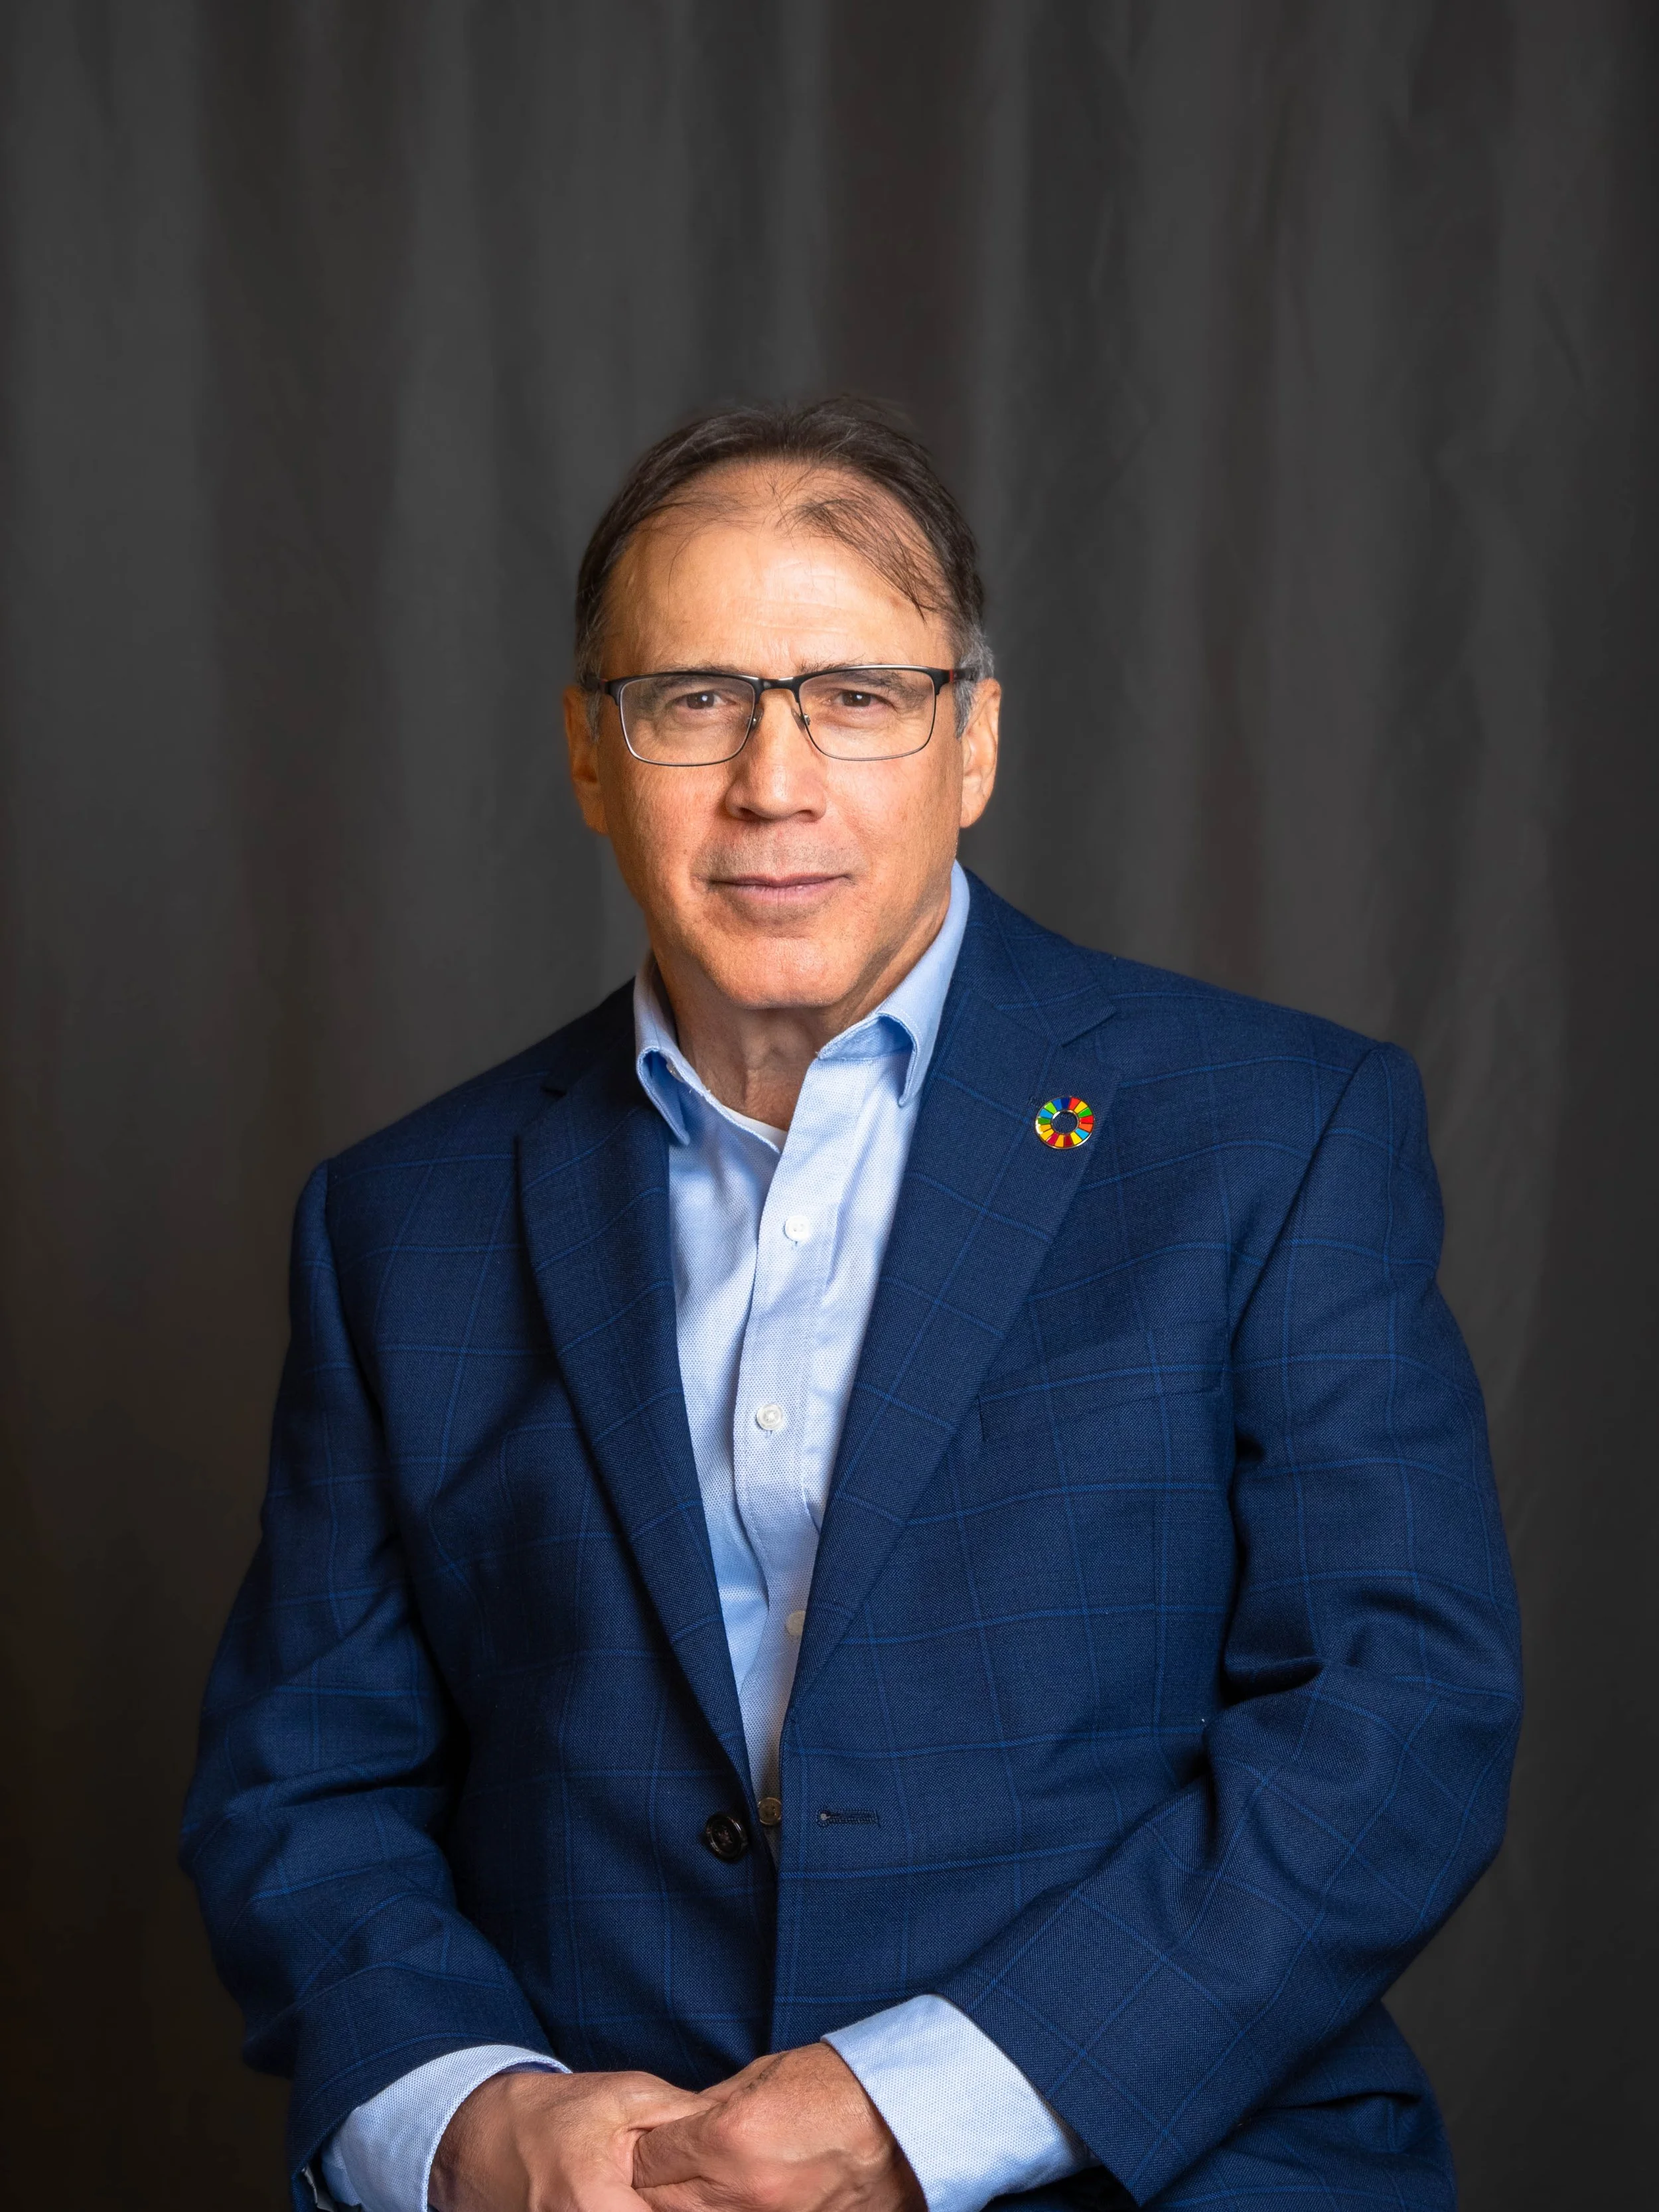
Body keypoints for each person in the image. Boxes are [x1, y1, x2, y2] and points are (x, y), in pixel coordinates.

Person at [182, 397, 1522, 2212]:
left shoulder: (1271, 1133)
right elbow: (303, 1788)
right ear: (589, 755)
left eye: (859, 696)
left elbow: (1396, 1720)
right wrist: (476, 2121)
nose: (774, 783)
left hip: (1156, 2165)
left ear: (974, 742)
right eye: (694, 700)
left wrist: (913, 2110)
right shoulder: (399, 1219)